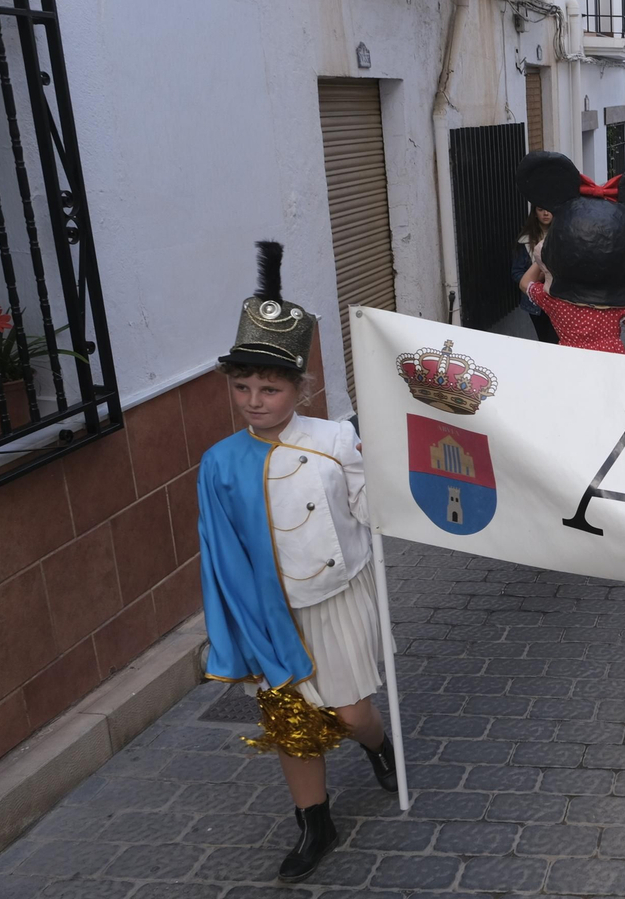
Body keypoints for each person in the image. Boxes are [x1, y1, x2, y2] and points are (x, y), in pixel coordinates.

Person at [199, 242, 397, 883]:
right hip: (271, 610)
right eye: (242, 387)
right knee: (292, 722)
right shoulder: (220, 462)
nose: (254, 400)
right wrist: (236, 627)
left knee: (347, 712)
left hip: (336, 597)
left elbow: (376, 509)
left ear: (300, 387)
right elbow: (221, 554)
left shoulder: (336, 441)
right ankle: (315, 820)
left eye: (270, 387)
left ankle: (379, 743)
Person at [516, 152, 625, 353]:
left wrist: (542, 257)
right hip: (610, 364)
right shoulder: (618, 305)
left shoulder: (554, 303)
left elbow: (525, 283)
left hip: (571, 362)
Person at [511, 207, 560, 344]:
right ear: (534, 212)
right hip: (536, 301)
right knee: (545, 340)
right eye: (540, 209)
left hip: (559, 298)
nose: (545, 213)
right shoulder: (525, 241)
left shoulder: (563, 235)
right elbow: (516, 272)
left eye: (548, 209)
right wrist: (533, 279)